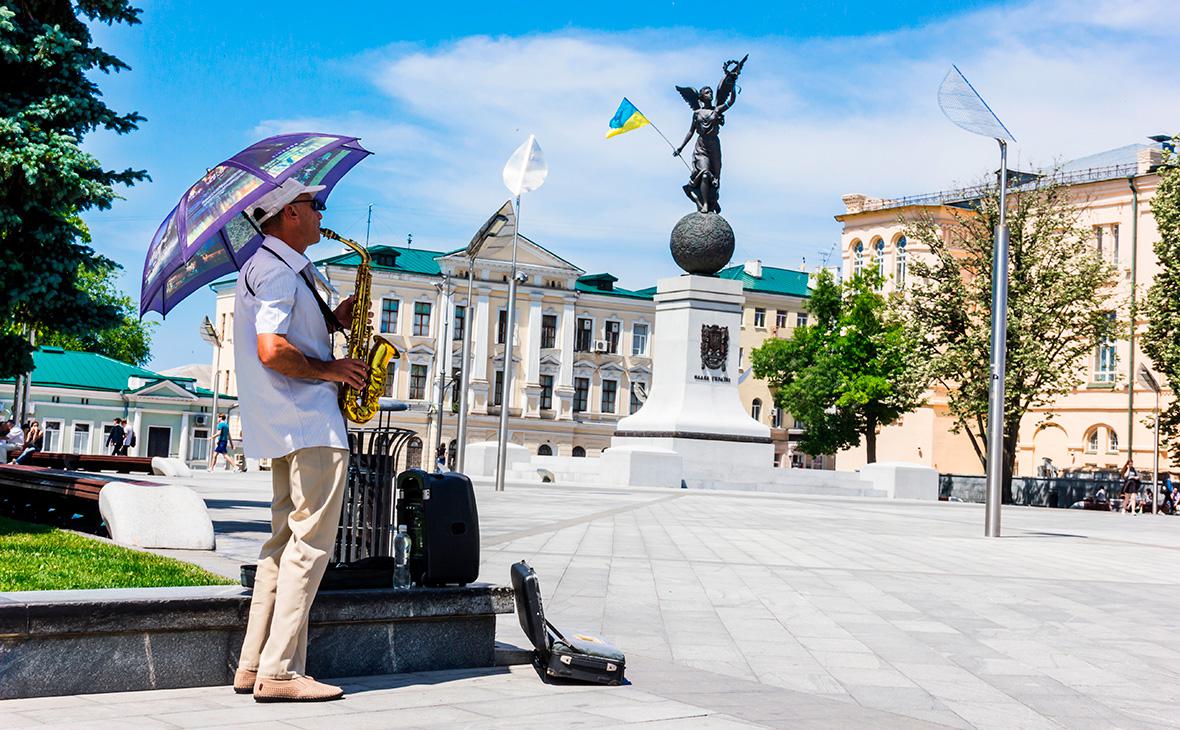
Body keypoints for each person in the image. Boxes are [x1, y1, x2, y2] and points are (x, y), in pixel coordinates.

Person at [231, 178, 367, 703]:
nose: (321, 214)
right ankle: (281, 672)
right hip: (310, 422)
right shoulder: (279, 272)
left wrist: (333, 320)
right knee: (309, 547)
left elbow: (283, 334)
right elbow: (272, 349)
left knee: (280, 546)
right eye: (316, 205)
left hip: (283, 424)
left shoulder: (266, 267)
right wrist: (332, 369)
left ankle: (252, 665)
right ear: (290, 212)